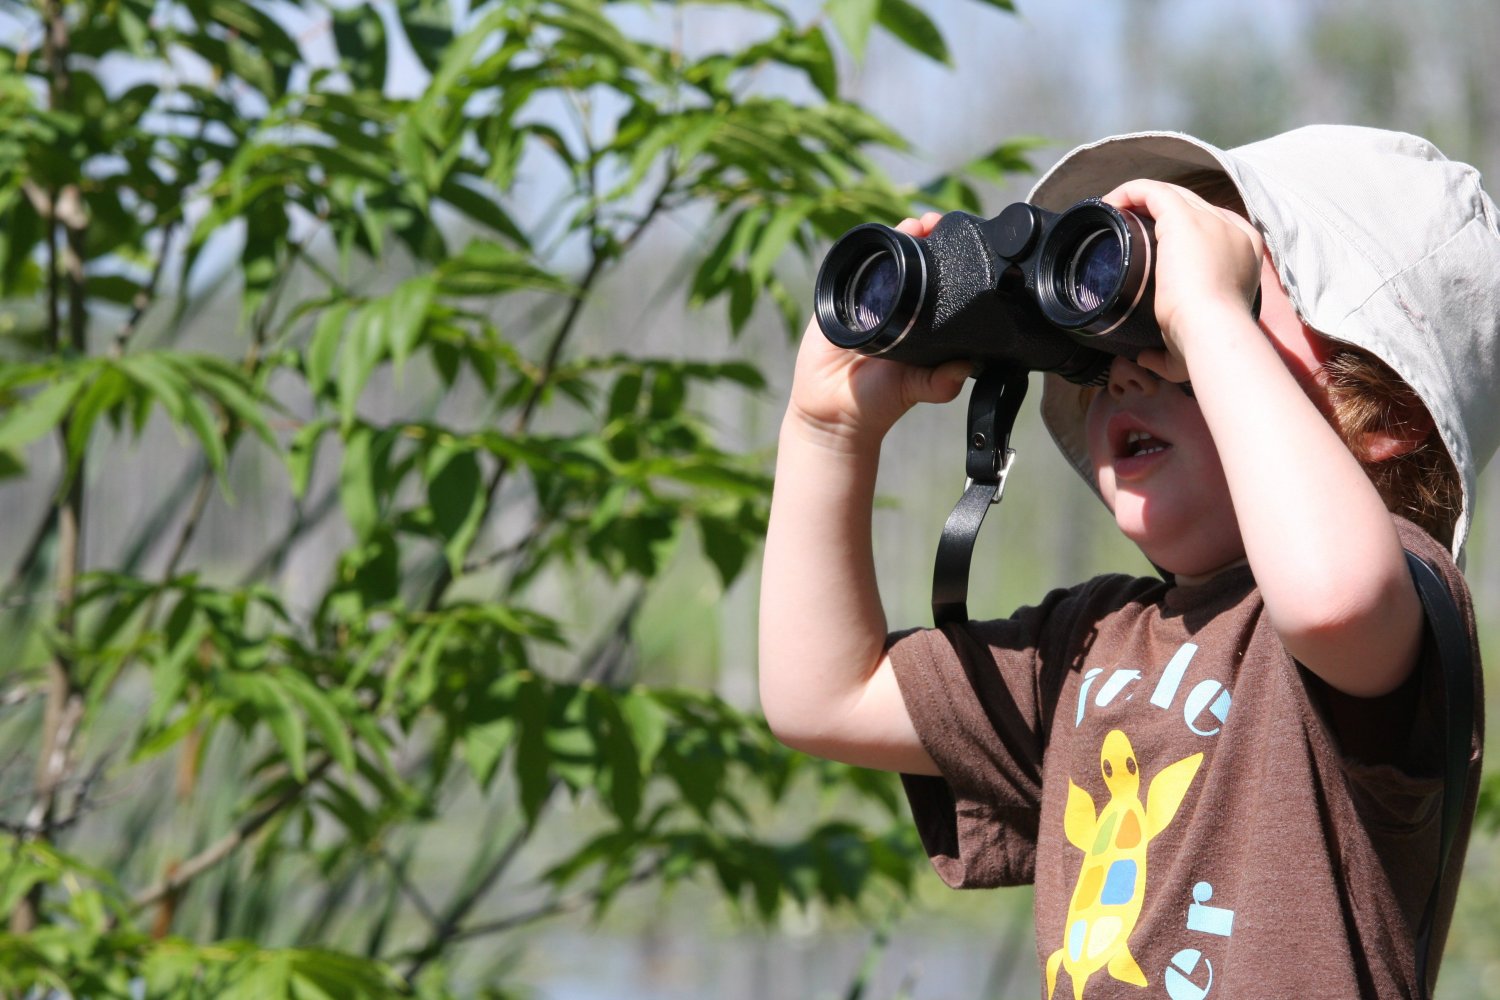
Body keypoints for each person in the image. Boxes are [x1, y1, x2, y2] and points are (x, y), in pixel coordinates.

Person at [758, 125, 1495, 999]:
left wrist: (1208, 317)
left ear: (1386, 417)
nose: (1128, 373)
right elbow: (825, 696)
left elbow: (1330, 595)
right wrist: (827, 429)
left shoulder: (1394, 607)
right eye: (1129, 329)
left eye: (1236, 295)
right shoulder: (1091, 640)